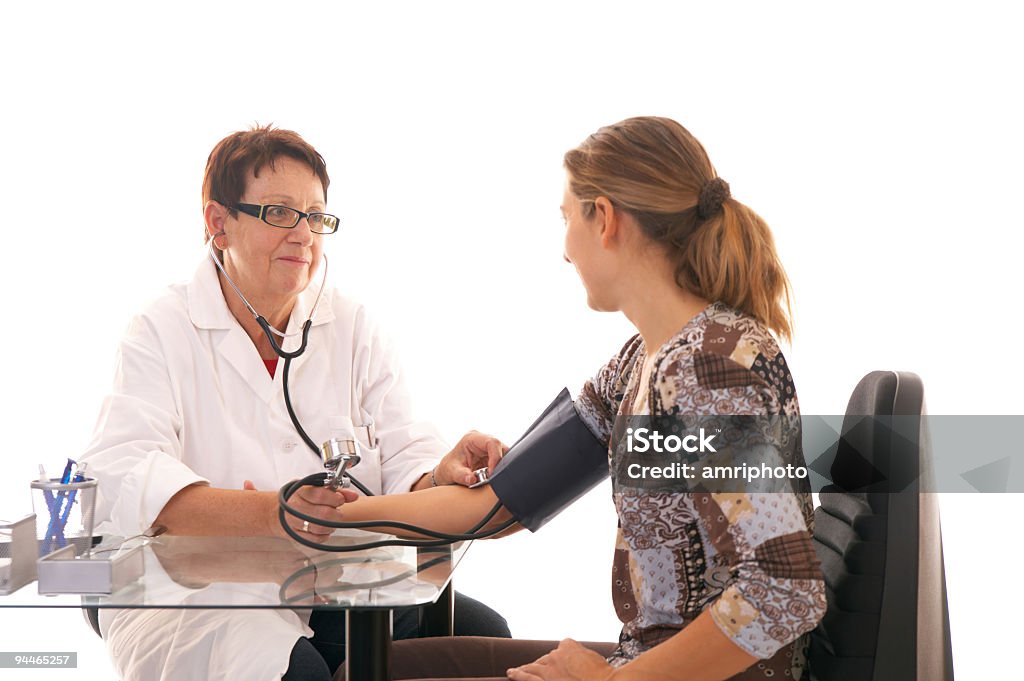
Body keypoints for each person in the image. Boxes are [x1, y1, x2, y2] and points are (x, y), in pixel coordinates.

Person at [338, 116, 827, 681]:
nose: (564, 249)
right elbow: (495, 506)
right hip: (642, 661)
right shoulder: (639, 363)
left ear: (606, 219)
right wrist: (344, 513)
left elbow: (783, 594)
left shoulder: (711, 369)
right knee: (375, 668)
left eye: (567, 217)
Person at [80, 125, 510, 681]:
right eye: (281, 213)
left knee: (482, 637)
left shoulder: (352, 325)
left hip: (325, 578)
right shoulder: (162, 327)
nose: (305, 234)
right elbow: (125, 472)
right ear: (219, 223)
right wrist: (272, 513)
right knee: (290, 670)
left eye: (315, 216)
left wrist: (438, 474)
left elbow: (407, 456)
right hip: (188, 585)